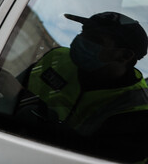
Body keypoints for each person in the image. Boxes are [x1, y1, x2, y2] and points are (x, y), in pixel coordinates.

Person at [14, 11, 148, 162]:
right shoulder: (57, 57)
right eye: (83, 32)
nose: (80, 39)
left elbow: (85, 152)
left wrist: (21, 97)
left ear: (124, 56)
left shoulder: (137, 108)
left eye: (94, 39)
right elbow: (6, 95)